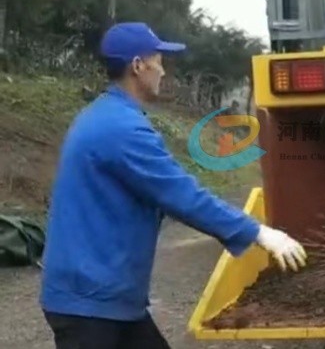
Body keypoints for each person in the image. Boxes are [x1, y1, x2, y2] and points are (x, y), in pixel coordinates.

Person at [39, 22, 308, 349]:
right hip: (89, 303)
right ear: (138, 66)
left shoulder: (105, 116)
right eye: (158, 60)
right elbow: (182, 196)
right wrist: (260, 233)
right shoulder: (120, 129)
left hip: (108, 296)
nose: (163, 70)